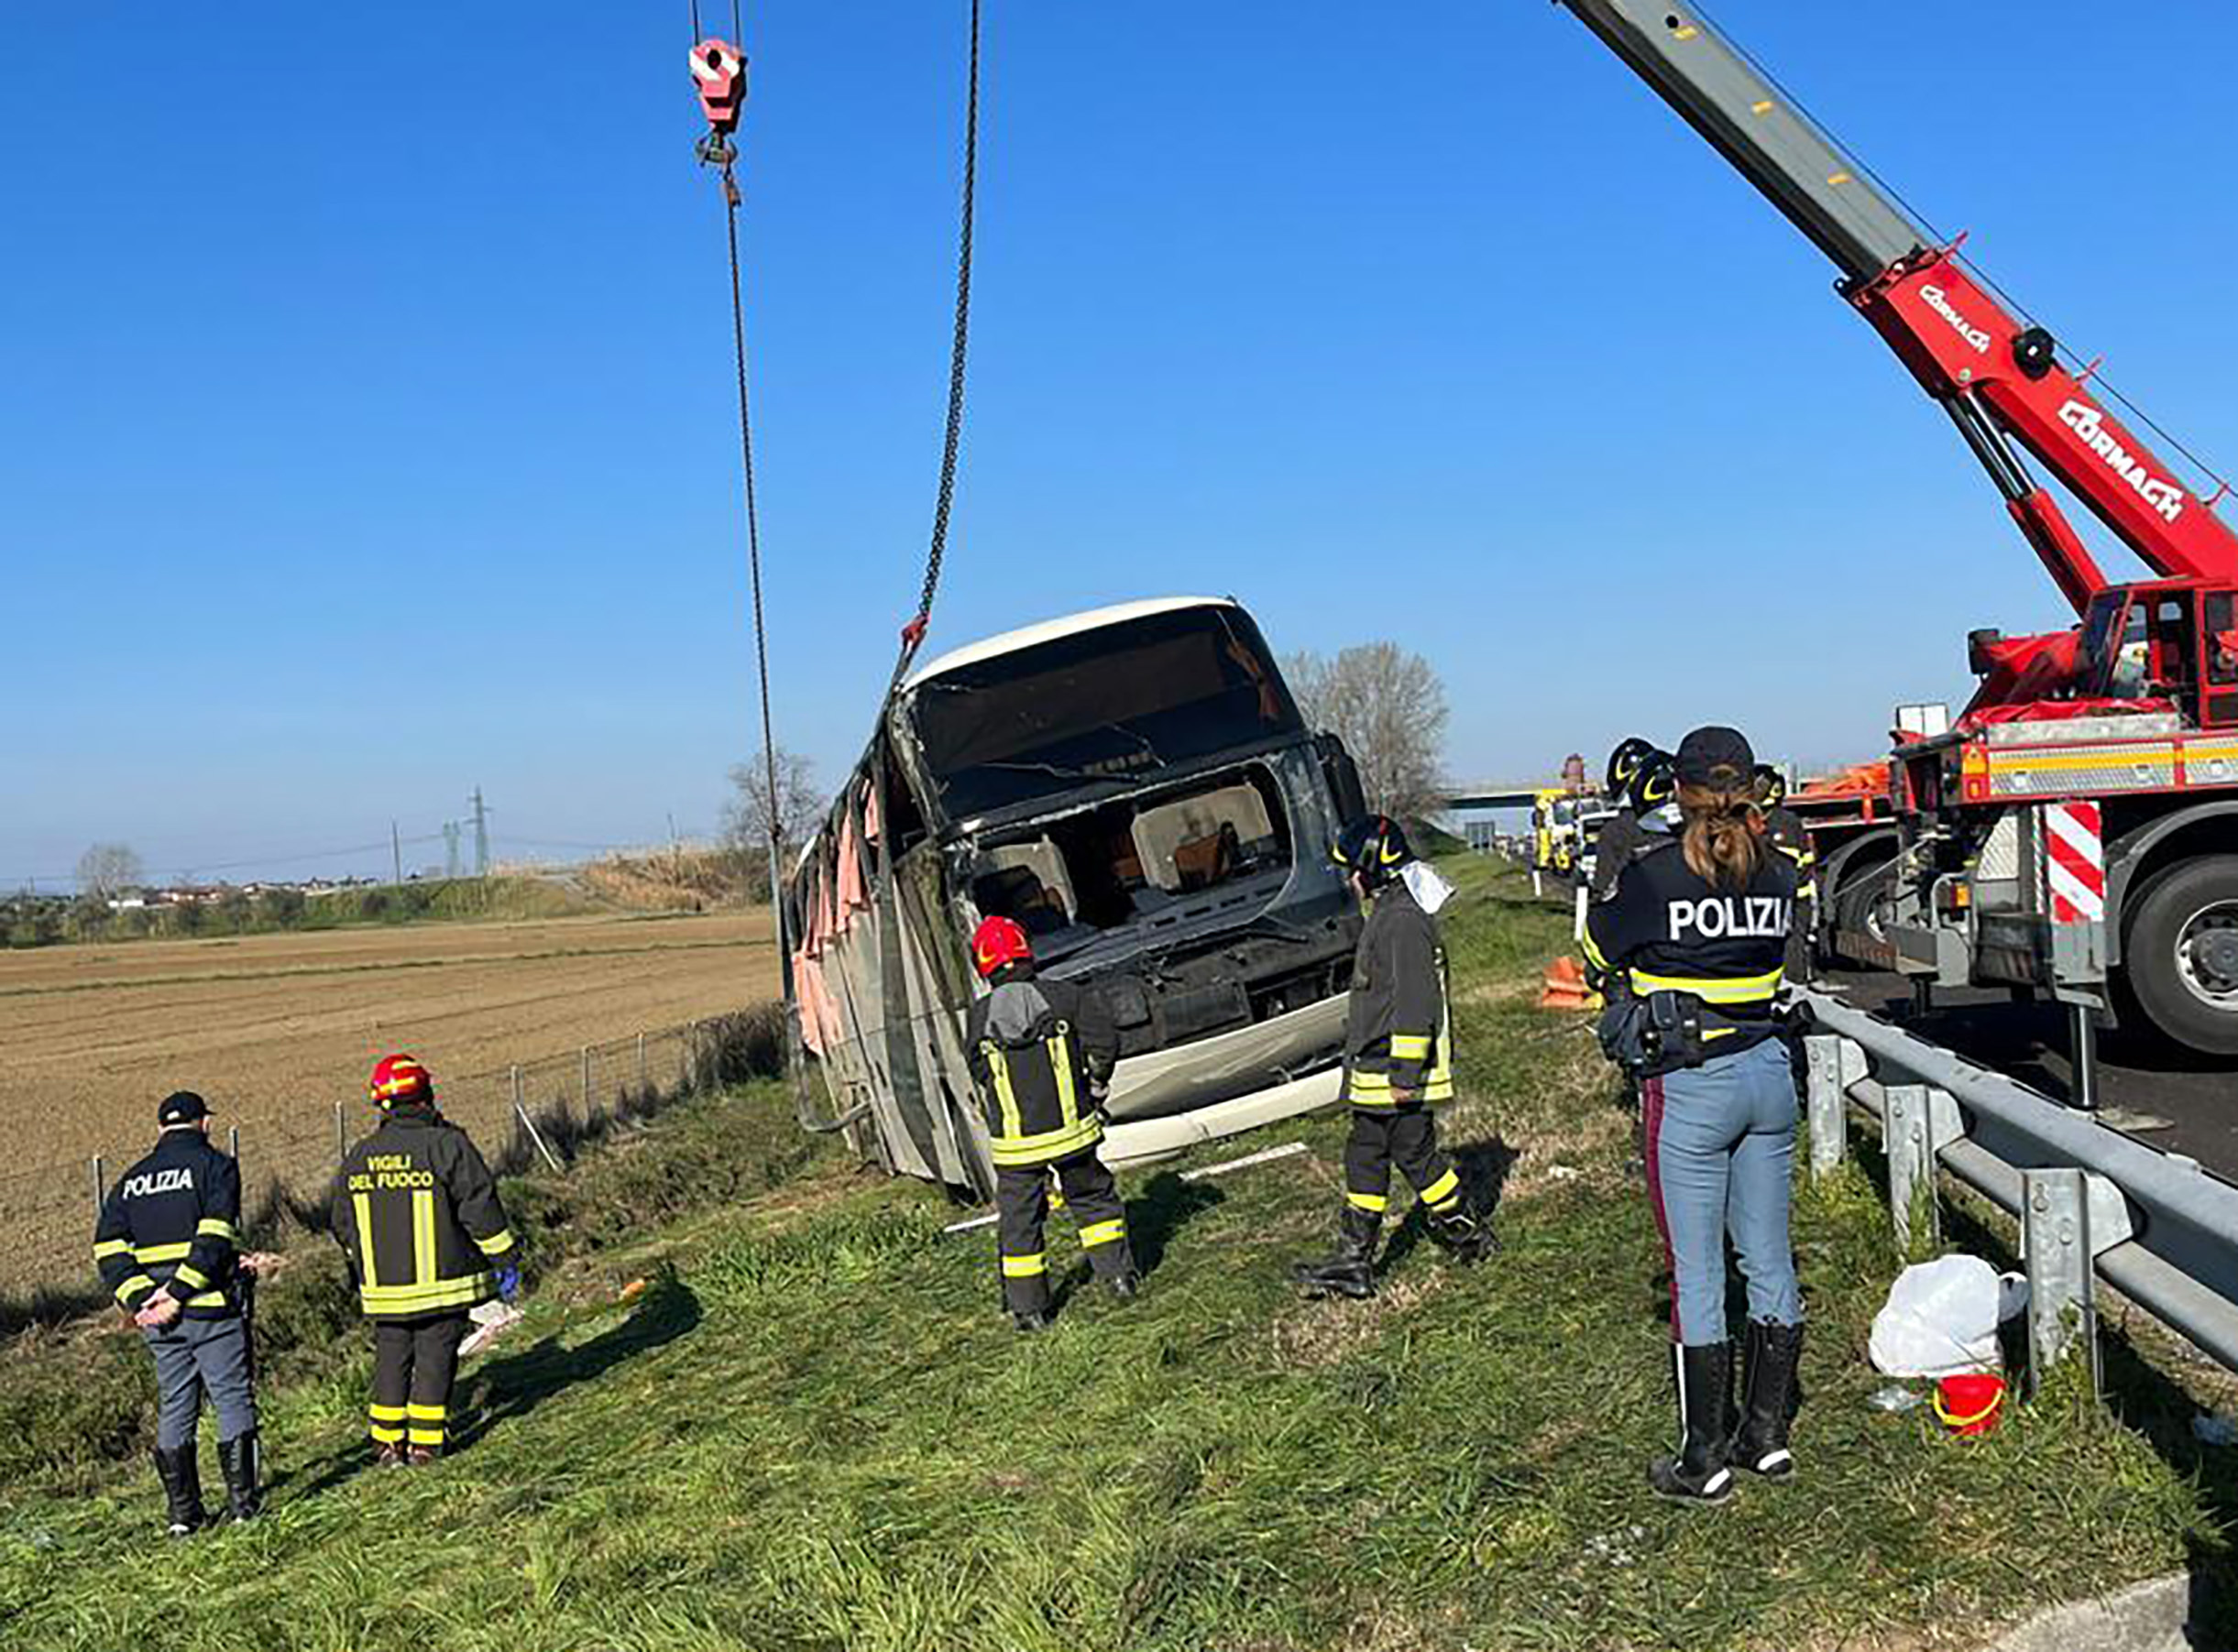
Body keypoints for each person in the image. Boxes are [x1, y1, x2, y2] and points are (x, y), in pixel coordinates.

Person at [1584, 727, 1805, 1504]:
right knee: (1770, 1259)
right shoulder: (1778, 875)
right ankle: (1767, 1435)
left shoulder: (1653, 876)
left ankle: (1701, 1457)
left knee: (1699, 1271)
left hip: (1691, 1083)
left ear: (1675, 791)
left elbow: (1598, 947)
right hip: (1771, 1074)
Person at [1295, 815, 1495, 1299]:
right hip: (1378, 1068)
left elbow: (1415, 1002)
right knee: (1374, 1152)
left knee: (1411, 1154)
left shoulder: (1402, 921)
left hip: (1395, 1071)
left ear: (1371, 866)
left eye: (1352, 869)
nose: (1349, 880)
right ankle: (1358, 1260)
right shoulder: (1391, 911)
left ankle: (1465, 1237)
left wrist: (1405, 1070)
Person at [332, 1055, 519, 1464]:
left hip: (384, 1291)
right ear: (425, 1095)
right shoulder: (448, 1145)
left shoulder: (360, 1155)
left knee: (392, 1357)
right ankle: (426, 1445)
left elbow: (342, 1222)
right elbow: (479, 1206)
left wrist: (364, 1262)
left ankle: (386, 1444)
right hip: (442, 1285)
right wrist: (504, 1256)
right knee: (435, 1356)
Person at [92, 1090, 260, 1535]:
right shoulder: (216, 1167)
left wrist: (143, 1298)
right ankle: (244, 1508)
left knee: (177, 1405)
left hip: (158, 1321)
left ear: (161, 1128)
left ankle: (183, 1516)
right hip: (210, 1309)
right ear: (204, 1123)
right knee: (231, 1398)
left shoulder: (130, 1180)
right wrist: (179, 1292)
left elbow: (108, 1251)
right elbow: (215, 1236)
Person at [962, 916, 1140, 1332]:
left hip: (1015, 1147)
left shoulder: (978, 1017)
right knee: (1094, 1201)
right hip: (1073, 1132)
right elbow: (1104, 1045)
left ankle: (1030, 1311)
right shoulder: (1066, 997)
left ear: (983, 965)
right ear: (1028, 951)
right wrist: (1094, 1087)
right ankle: (1117, 1278)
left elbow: (977, 1069)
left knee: (1020, 1221)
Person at [1755, 762, 1816, 984]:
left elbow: (1797, 867)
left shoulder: (1786, 824)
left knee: (1792, 948)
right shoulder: (1750, 821)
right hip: (1768, 902)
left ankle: (1796, 988)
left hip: (1793, 902)